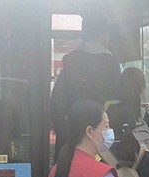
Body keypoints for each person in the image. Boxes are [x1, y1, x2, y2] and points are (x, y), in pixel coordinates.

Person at [50, 13, 121, 164]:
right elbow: (115, 104)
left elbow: (56, 104)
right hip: (100, 146)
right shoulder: (111, 66)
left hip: (69, 144)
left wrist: (66, 132)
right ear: (104, 35)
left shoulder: (70, 64)